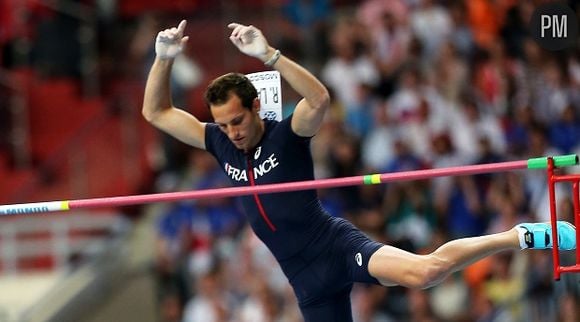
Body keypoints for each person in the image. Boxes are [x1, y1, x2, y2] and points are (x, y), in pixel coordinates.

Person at [142, 20, 577, 322]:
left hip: (332, 246)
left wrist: (270, 55)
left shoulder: (286, 135)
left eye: (237, 121)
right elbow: (156, 112)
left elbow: (319, 101)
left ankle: (518, 235)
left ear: (255, 107)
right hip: (303, 279)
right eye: (223, 125)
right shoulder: (219, 143)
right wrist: (163, 59)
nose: (231, 132)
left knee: (424, 274)